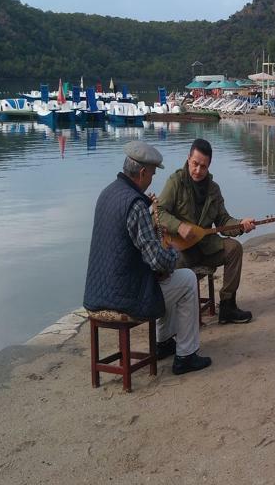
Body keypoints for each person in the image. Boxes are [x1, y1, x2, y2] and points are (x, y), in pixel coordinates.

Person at [83, 141, 211, 376]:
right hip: (124, 296)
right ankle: (186, 355)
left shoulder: (107, 194)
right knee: (187, 280)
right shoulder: (136, 205)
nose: (152, 179)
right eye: (152, 173)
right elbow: (157, 261)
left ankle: (163, 343)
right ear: (142, 173)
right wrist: (172, 252)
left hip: (97, 292)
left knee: (168, 281)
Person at [157, 138, 256, 324]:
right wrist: (178, 226)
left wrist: (241, 224)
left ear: (209, 165)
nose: (198, 170)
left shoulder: (213, 189)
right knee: (170, 268)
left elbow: (223, 220)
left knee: (234, 249)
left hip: (206, 248)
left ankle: (227, 306)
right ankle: (175, 317)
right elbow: (159, 212)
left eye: (203, 166)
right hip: (182, 251)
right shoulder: (175, 182)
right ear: (188, 159)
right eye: (195, 164)